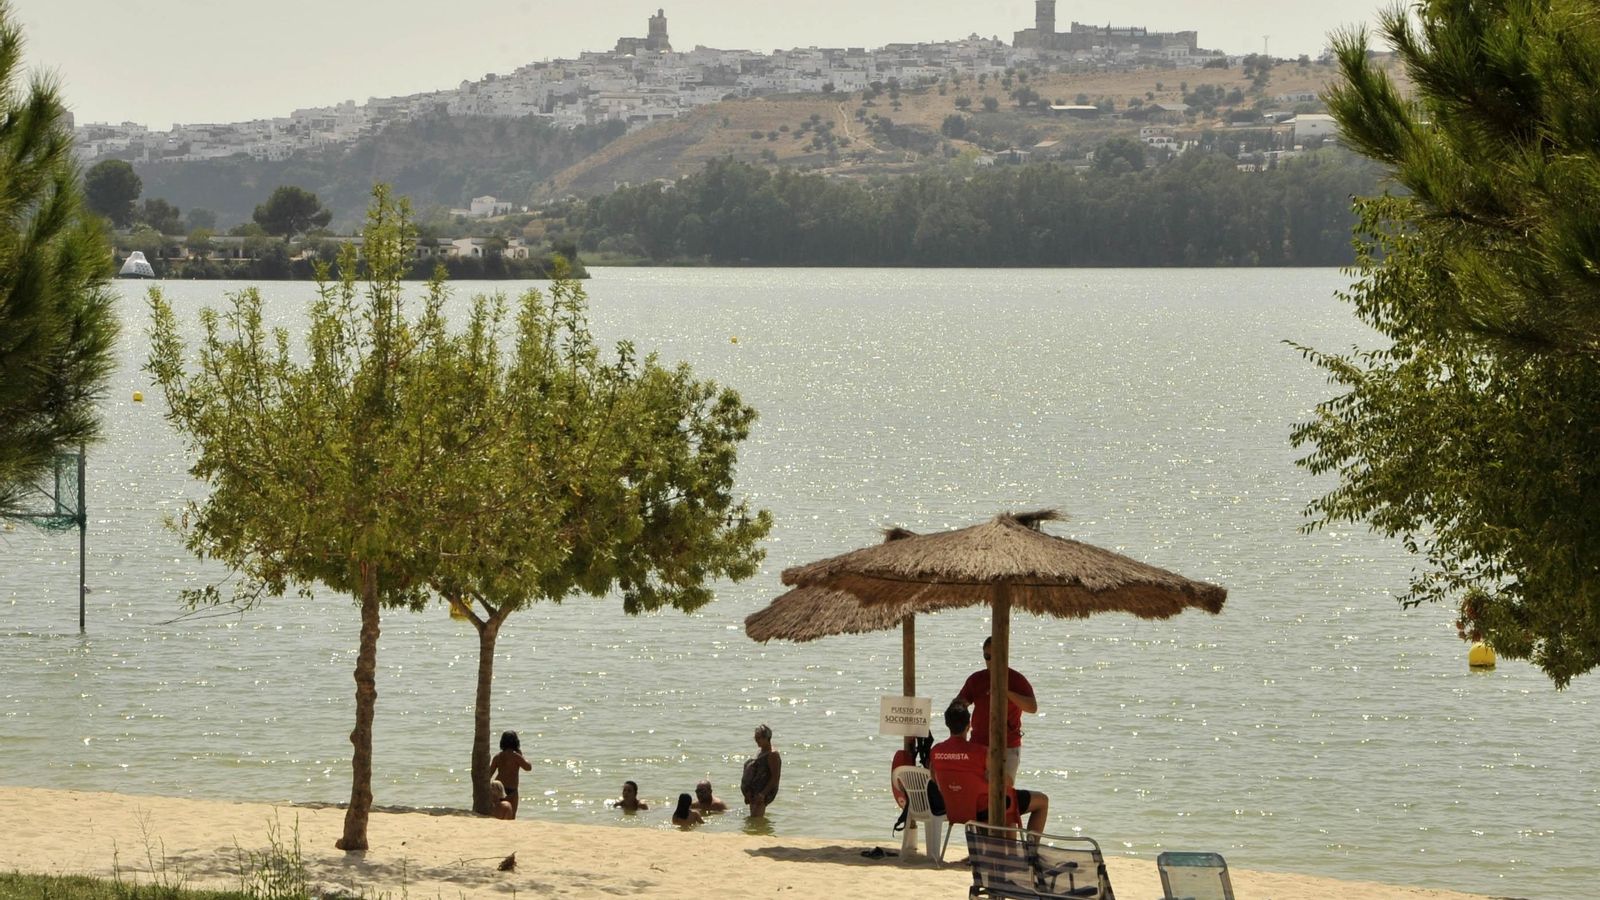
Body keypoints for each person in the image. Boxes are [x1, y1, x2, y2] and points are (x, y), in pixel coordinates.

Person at [930, 704, 1048, 834]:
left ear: (947, 724)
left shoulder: (936, 752)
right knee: (1042, 801)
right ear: (968, 726)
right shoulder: (981, 752)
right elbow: (1007, 781)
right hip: (984, 810)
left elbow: (935, 779)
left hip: (955, 810)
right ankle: (1031, 849)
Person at [951, 636, 1036, 785]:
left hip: (1007, 745)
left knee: (1004, 792)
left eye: (995, 656)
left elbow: (1032, 707)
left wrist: (1006, 693)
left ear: (1004, 655)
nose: (991, 661)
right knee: (977, 789)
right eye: (987, 656)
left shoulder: (1016, 679)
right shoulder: (977, 679)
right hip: (978, 744)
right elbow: (958, 705)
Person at [740, 723, 782, 817]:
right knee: (753, 818)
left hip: (762, 791)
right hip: (754, 791)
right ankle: (756, 831)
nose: (756, 740)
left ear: (767, 738)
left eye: (758, 738)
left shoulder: (773, 754)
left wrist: (763, 794)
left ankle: (759, 831)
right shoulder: (761, 750)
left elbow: (775, 777)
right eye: (755, 738)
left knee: (756, 818)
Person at [489, 730, 533, 818]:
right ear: (516, 742)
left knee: (499, 815)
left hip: (499, 790)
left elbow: (489, 774)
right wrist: (521, 756)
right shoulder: (516, 756)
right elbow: (528, 767)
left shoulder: (498, 756)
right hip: (512, 790)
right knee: (512, 816)